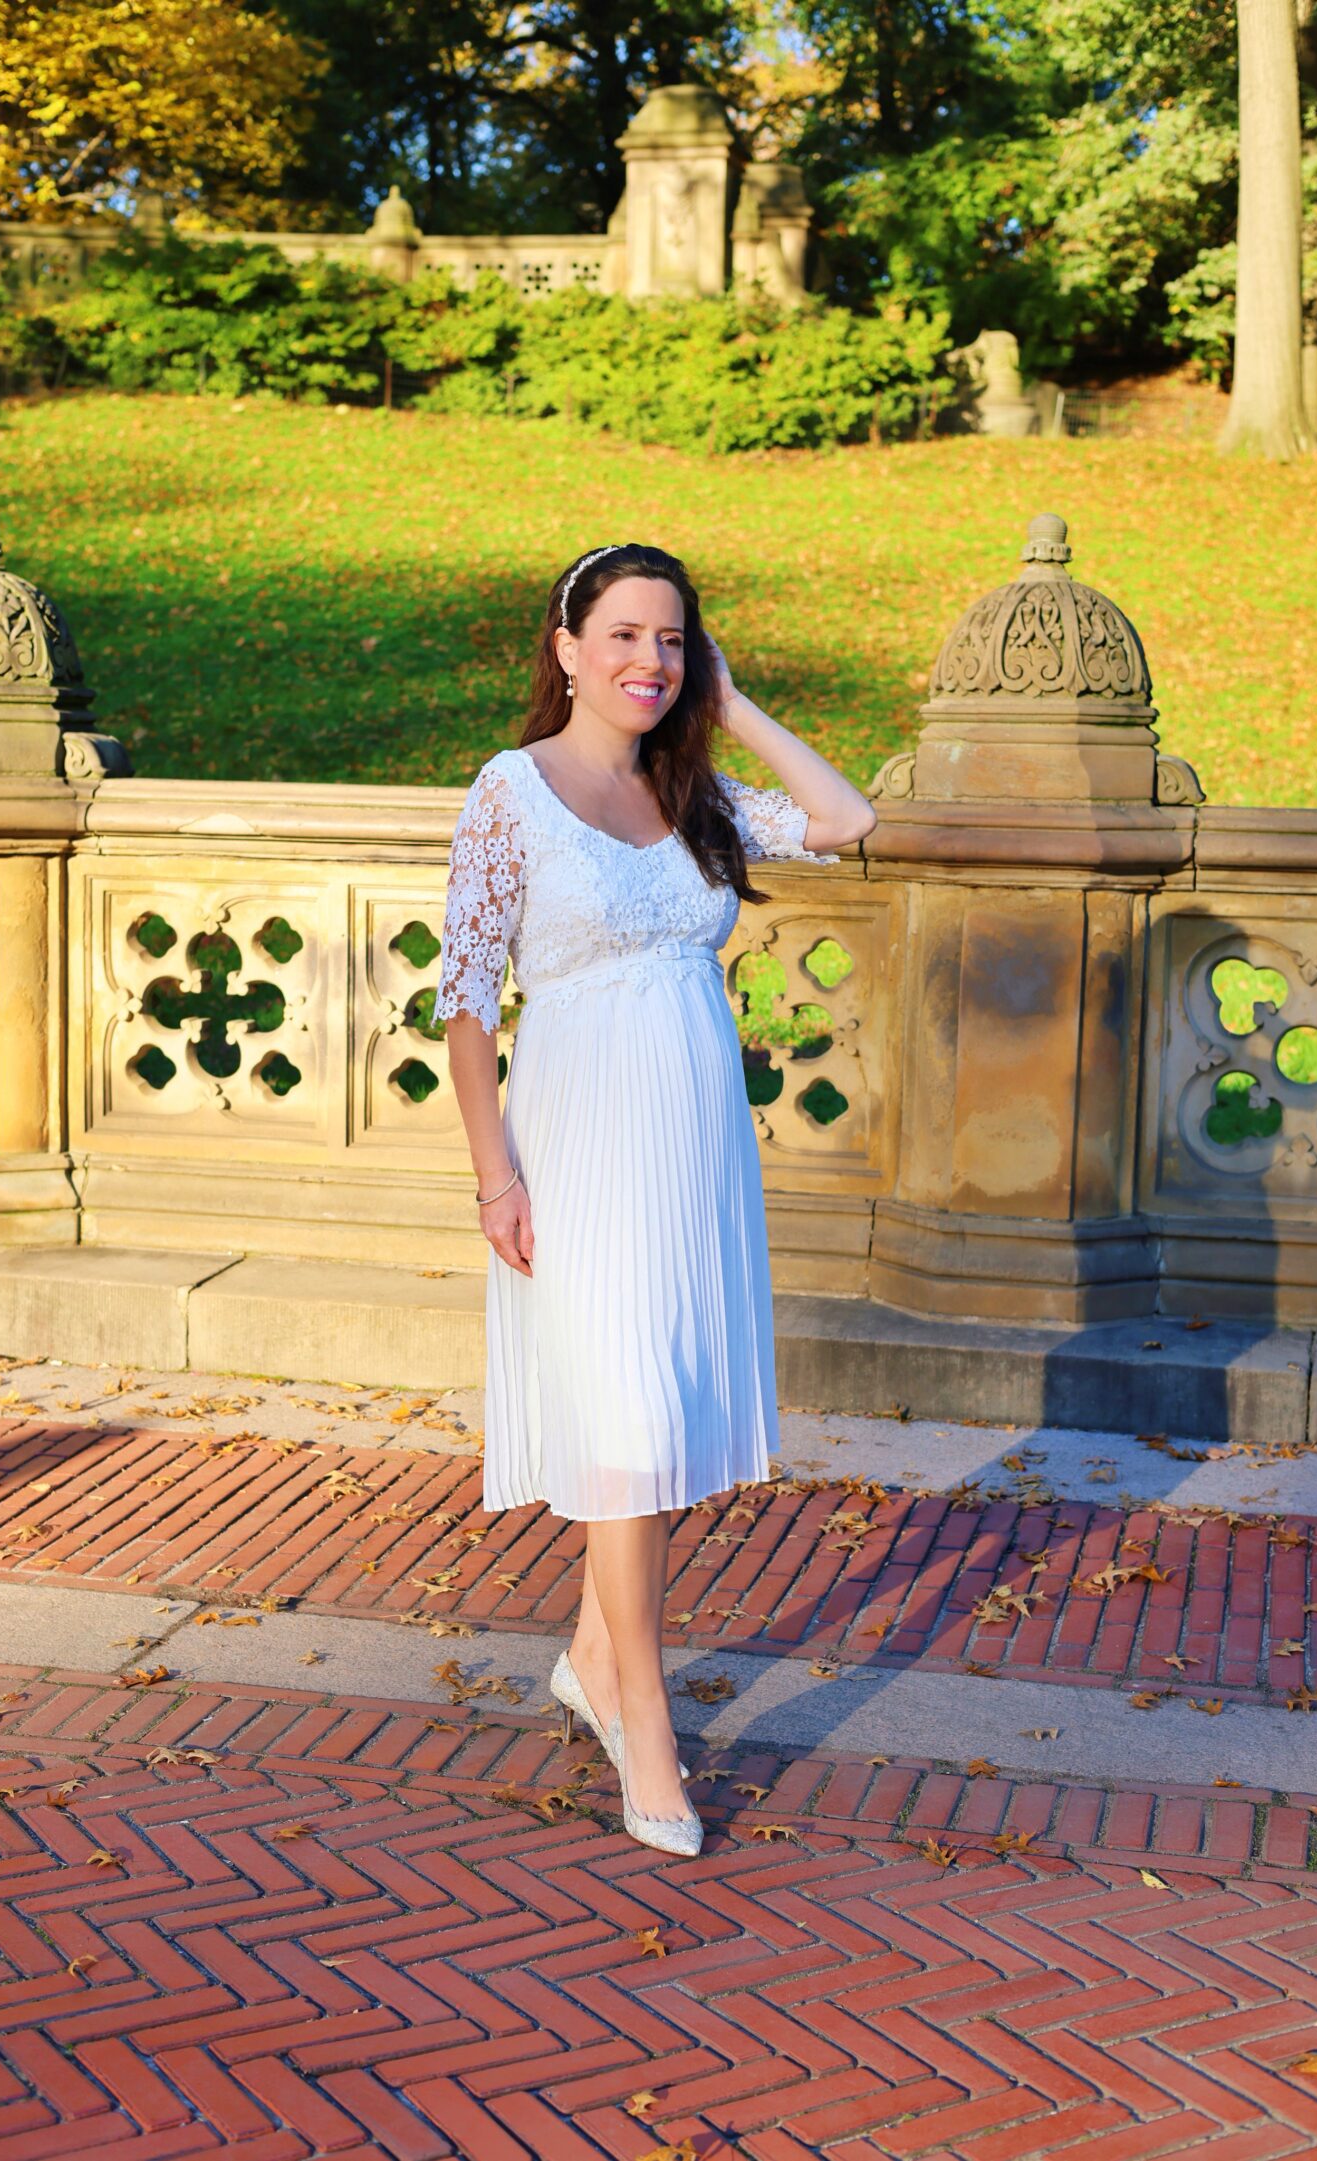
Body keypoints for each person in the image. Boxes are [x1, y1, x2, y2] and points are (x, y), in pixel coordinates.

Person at [433, 542, 876, 1855]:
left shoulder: (697, 794)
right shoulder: (511, 792)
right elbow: (464, 1002)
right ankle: (647, 1722)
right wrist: (492, 1171)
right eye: (624, 634)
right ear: (566, 646)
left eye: (673, 640)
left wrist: (730, 706)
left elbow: (848, 819)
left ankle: (588, 1652)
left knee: (663, 1425)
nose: (648, 660)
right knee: (625, 1431)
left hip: (693, 1147)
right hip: (573, 1141)